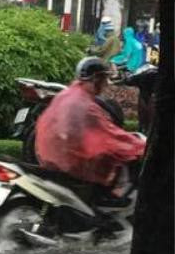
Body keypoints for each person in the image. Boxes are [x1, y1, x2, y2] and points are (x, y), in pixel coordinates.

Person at [34, 56, 145, 203]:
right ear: (96, 79)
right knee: (114, 156)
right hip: (67, 159)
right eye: (104, 78)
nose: (106, 83)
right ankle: (103, 199)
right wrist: (139, 146)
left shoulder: (69, 94)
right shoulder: (84, 104)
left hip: (50, 154)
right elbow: (109, 134)